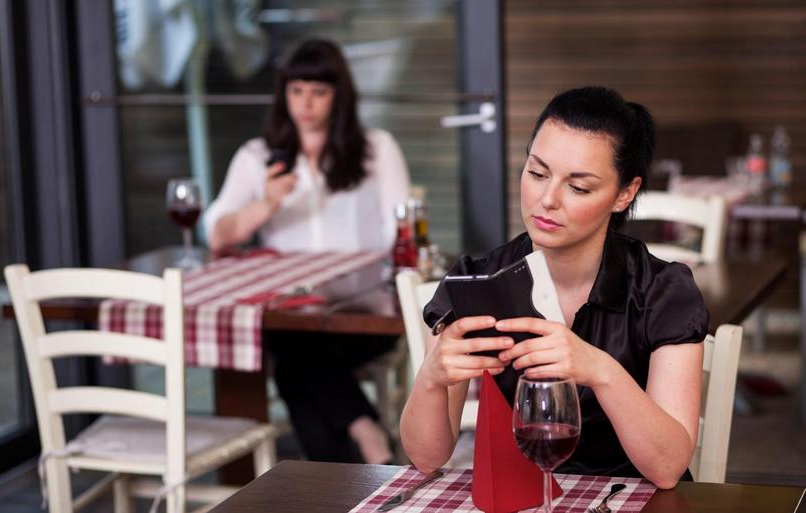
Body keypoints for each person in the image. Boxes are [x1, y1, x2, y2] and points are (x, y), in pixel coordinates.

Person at [400, 86, 708, 489]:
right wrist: (431, 378)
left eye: (578, 187)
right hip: (526, 494)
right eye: (537, 173)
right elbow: (427, 457)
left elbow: (667, 469)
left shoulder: (663, 291)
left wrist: (599, 369)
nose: (546, 199)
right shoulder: (478, 281)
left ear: (624, 194)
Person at [204, 39, 410, 464]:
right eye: (296, 91)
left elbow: (400, 227)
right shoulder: (257, 157)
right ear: (283, 95)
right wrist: (266, 203)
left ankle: (336, 477)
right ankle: (367, 433)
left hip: (363, 312)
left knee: (292, 360)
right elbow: (218, 234)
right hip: (294, 311)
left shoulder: (377, 148)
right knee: (291, 338)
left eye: (318, 92)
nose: (306, 104)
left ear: (339, 95)